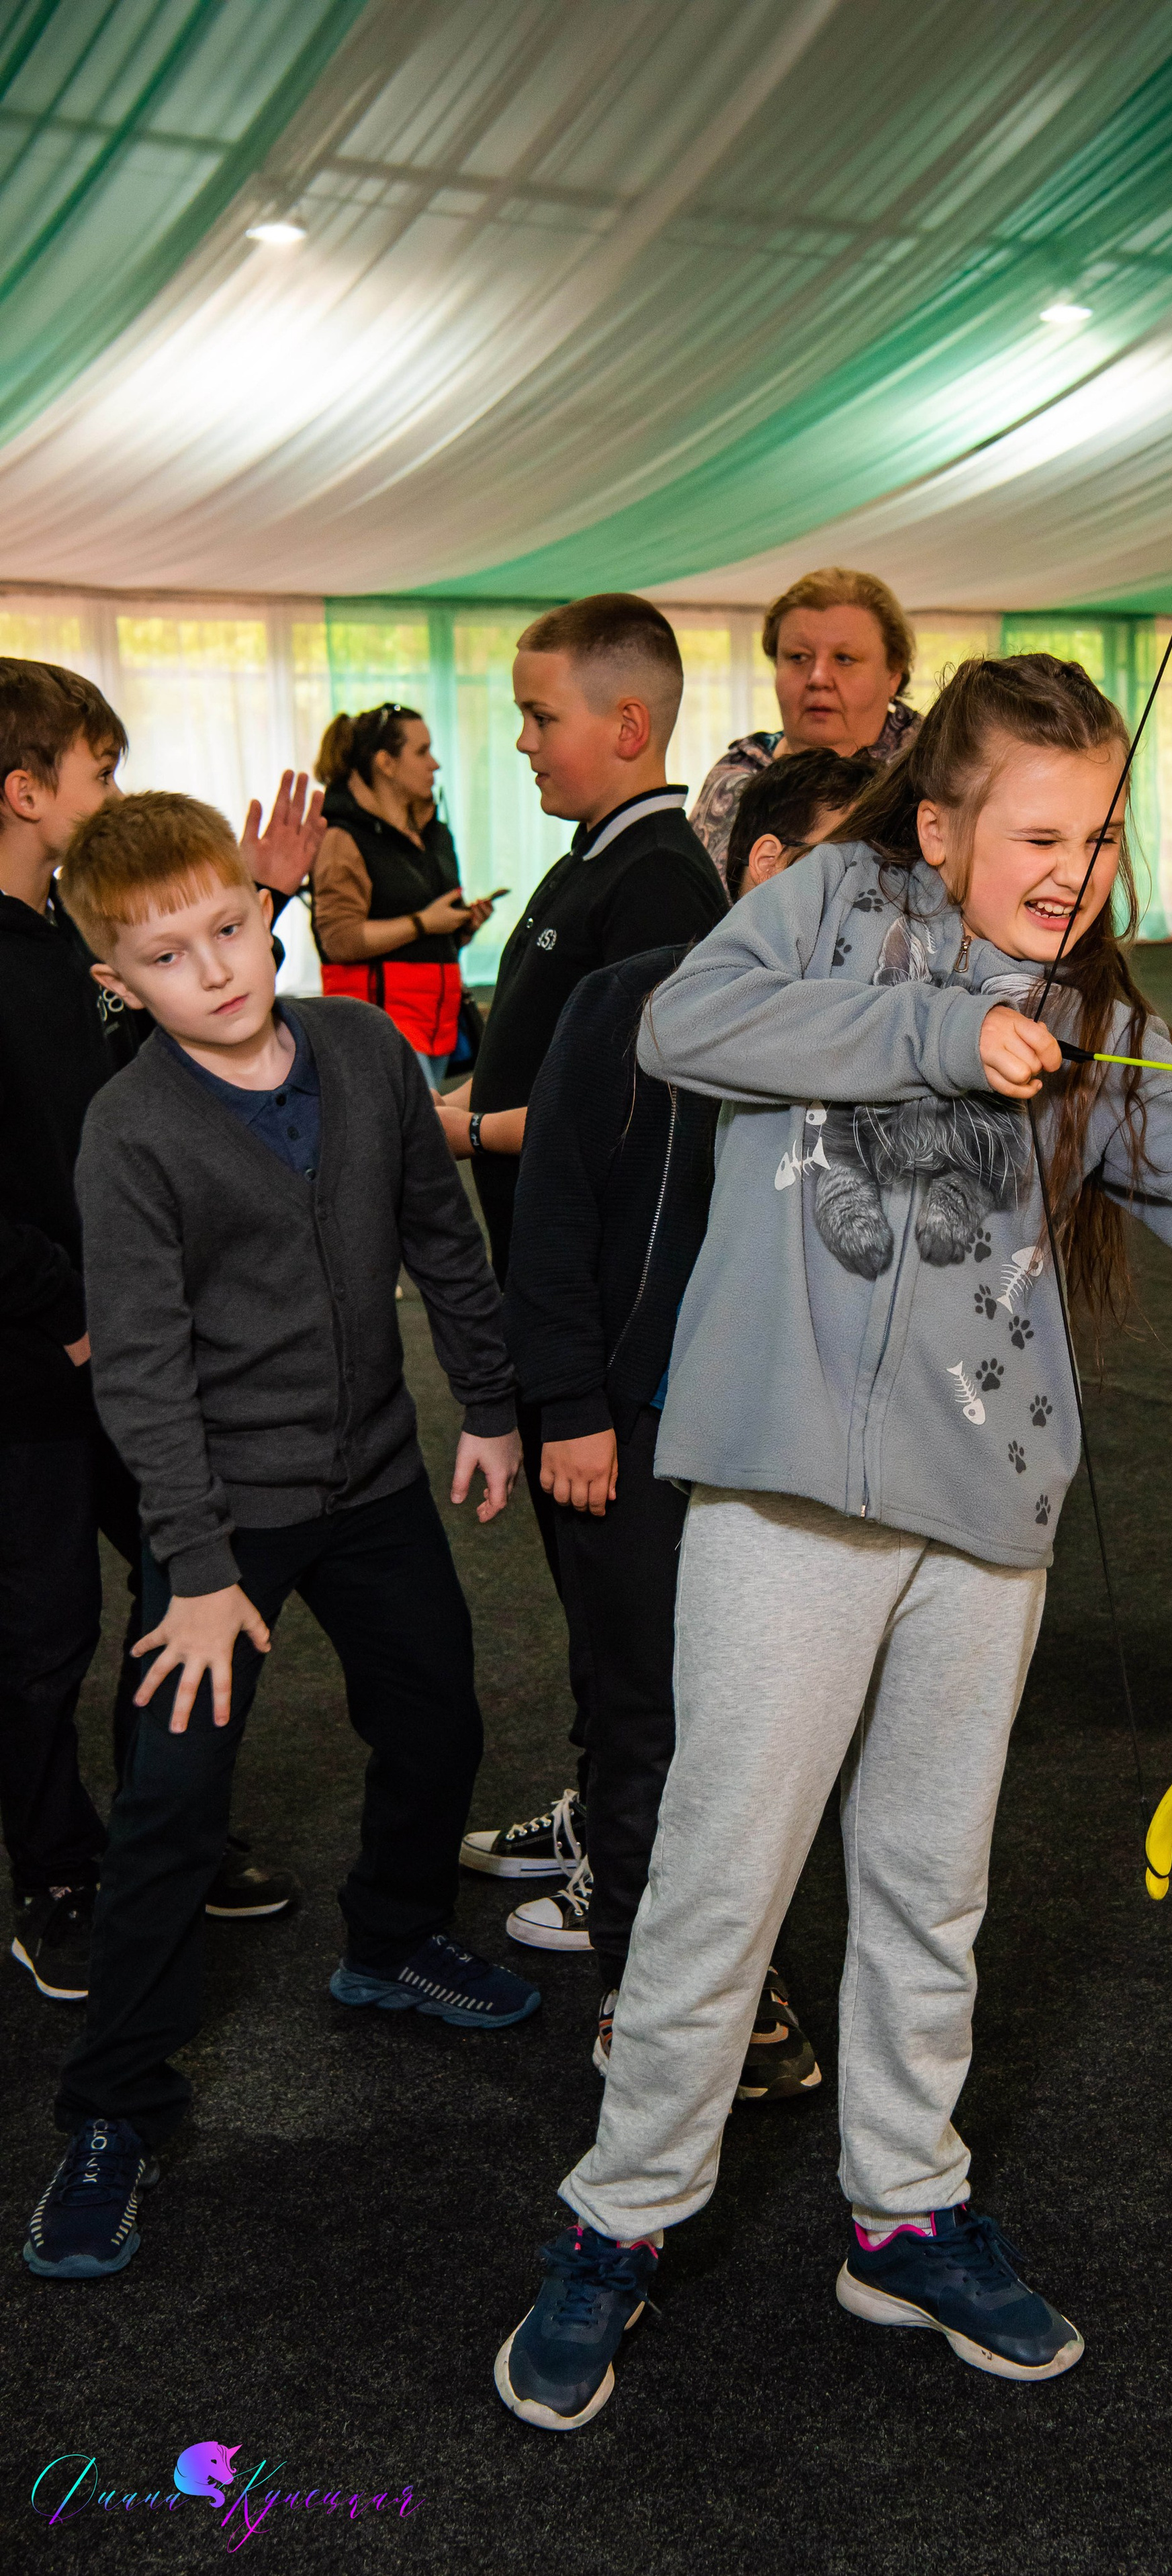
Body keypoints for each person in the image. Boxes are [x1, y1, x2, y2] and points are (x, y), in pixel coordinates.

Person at [489, 653, 1172, 2430]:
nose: (1076, 866)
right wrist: (935, 1028)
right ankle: (622, 2218)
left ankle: (902, 2210)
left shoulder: (1097, 1017)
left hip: (986, 1515)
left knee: (929, 1878)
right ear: (941, 824)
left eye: (1105, 831)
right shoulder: (831, 909)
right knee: (717, 1881)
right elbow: (686, 1028)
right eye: (1040, 830)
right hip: (790, 1510)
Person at [24, 792, 534, 2282]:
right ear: (119, 981)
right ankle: (115, 2108)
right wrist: (190, 1567)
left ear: (269, 907)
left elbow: (442, 1239)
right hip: (221, 1523)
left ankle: (387, 1940)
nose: (219, 970)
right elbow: (141, 1366)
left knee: (438, 1720)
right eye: (171, 957)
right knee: (171, 1803)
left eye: (231, 929)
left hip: (373, 1481)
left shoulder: (370, 1053)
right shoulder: (131, 1130)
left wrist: (489, 1410)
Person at [498, 752, 872, 2120]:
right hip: (631, 1430)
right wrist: (571, 1409)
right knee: (643, 1717)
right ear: (768, 868)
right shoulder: (629, 1001)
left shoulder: (865, 1031)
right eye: (856, 874)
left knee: (752, 1724)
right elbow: (549, 1225)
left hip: (772, 1446)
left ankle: (740, 1963)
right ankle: (641, 1990)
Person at [0, 665, 316, 2006]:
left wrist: (272, 904)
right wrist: (67, 1312)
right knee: (36, 1636)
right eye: (99, 772)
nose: (114, 796)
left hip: (127, 1351)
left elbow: (173, 1028)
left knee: (195, 1586)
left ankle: (156, 1834)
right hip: (25, 1367)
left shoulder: (73, 940)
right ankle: (59, 1875)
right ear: (28, 791)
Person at [445, 595, 726, 1890]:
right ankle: (600, 1802)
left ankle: (630, 1862)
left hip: (612, 1324)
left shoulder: (661, 874)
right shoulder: (591, 857)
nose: (521, 743)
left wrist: (469, 1128)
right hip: (562, 1303)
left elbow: (627, 1118)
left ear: (627, 723)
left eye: (537, 716)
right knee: (594, 1606)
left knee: (632, 1618)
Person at [686, 567, 920, 866]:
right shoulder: (732, 778)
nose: (818, 678)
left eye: (844, 659)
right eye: (798, 657)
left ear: (893, 674)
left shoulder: (934, 775)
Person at [312, 703, 492, 1085]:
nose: (435, 765)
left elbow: (427, 940)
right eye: (422, 752)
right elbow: (339, 940)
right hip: (378, 1027)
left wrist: (460, 928)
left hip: (439, 1024)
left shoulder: (435, 835)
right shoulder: (343, 838)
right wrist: (424, 923)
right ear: (386, 764)